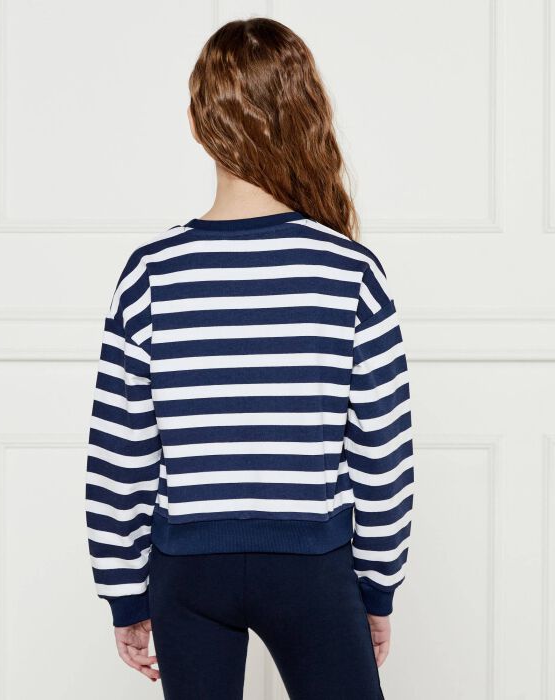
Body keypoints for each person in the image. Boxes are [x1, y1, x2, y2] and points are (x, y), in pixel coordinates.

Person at [85, 16, 414, 700]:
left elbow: (120, 453)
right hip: (312, 567)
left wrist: (124, 590)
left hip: (188, 568)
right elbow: (383, 452)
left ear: (197, 122)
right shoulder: (349, 271)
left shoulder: (151, 273)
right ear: (305, 117)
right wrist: (377, 584)